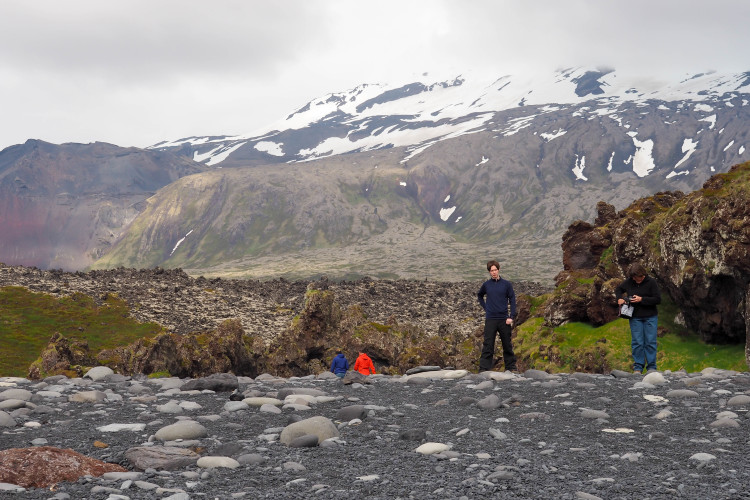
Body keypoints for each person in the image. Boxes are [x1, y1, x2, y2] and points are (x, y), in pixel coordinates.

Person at [615, 262, 661, 374]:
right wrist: (619, 299)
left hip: (650, 317)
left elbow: (657, 299)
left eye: (637, 278)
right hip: (635, 317)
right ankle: (638, 367)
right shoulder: (630, 281)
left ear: (642, 275)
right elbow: (619, 289)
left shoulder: (651, 282)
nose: (636, 280)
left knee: (650, 342)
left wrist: (642, 299)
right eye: (634, 278)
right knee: (637, 342)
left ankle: (651, 367)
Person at [477, 260, 517, 372]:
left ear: (498, 270)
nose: (494, 272)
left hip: (504, 319)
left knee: (507, 344)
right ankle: (484, 369)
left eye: (495, 270)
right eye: (491, 270)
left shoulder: (506, 284)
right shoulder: (486, 285)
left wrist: (511, 316)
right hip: (490, 319)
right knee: (488, 345)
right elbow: (480, 295)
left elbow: (512, 299)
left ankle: (511, 368)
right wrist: (486, 308)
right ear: (489, 272)